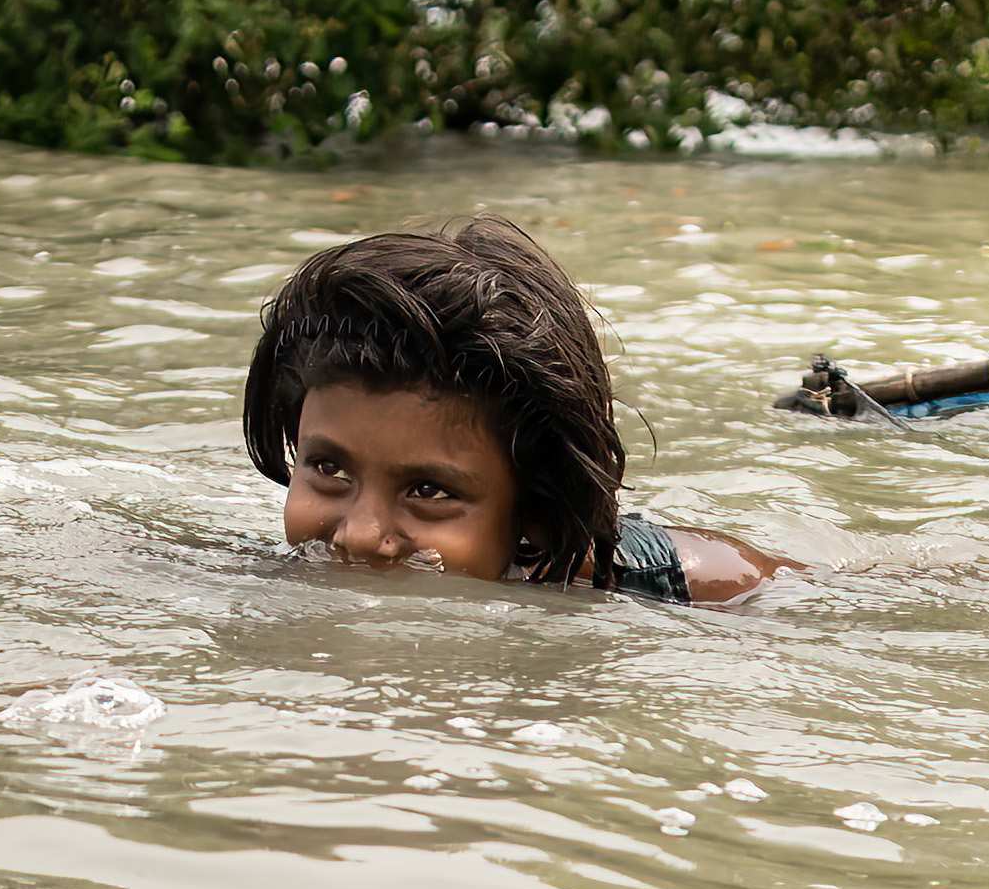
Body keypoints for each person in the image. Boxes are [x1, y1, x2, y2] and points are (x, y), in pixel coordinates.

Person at [241, 215, 787, 603]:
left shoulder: (709, 583)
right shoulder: (268, 569)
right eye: (329, 469)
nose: (359, 535)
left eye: (429, 491)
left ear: (534, 508)